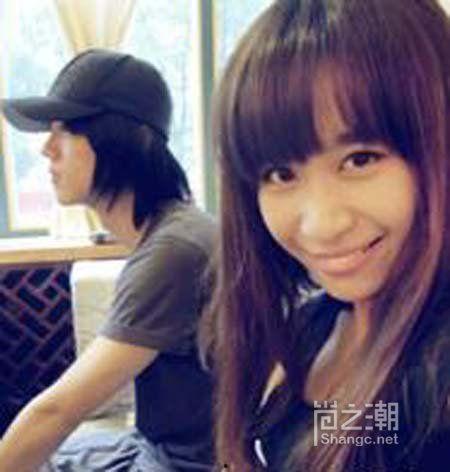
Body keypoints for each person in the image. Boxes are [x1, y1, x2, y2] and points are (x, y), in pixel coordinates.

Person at [206, 0, 450, 470]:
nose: (320, 224)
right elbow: (337, 429)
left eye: (361, 159)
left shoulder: (436, 378)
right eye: (281, 173)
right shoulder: (316, 323)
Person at [0, 49, 216, 471]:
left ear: (118, 139)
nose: (46, 149)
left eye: (64, 130)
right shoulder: (173, 230)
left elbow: (57, 412)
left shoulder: (174, 251)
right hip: (156, 447)